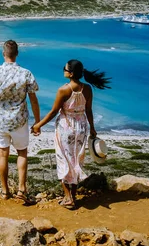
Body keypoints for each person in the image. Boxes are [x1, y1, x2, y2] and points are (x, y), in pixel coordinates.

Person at [32, 59, 110, 209]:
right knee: (76, 161)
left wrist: (38, 125)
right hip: (81, 127)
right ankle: (72, 195)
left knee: (64, 160)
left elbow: (54, 112)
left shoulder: (64, 90)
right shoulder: (87, 89)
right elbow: (88, 110)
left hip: (66, 128)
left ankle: (68, 197)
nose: (63, 70)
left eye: (65, 68)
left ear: (71, 73)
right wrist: (92, 128)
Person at [0, 40, 41, 202]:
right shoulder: (26, 74)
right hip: (19, 120)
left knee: (2, 155)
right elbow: (34, 101)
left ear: (3, 54)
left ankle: (4, 191)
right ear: (16, 54)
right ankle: (22, 189)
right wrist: (37, 122)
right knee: (22, 153)